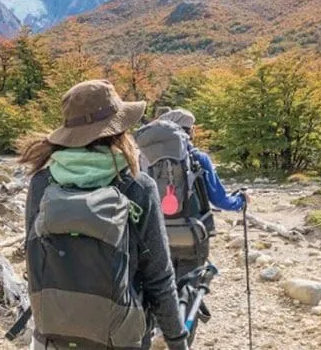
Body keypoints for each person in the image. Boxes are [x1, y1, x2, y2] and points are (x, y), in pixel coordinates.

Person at [20, 80, 189, 350]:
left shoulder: (43, 181)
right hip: (119, 337)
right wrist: (177, 340)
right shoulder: (137, 185)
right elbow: (158, 276)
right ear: (119, 130)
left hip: (53, 333)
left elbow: (32, 254)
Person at [157, 109, 244, 212]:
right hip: (191, 223)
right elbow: (220, 201)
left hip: (155, 225)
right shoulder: (199, 158)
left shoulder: (147, 157)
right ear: (189, 131)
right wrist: (241, 200)